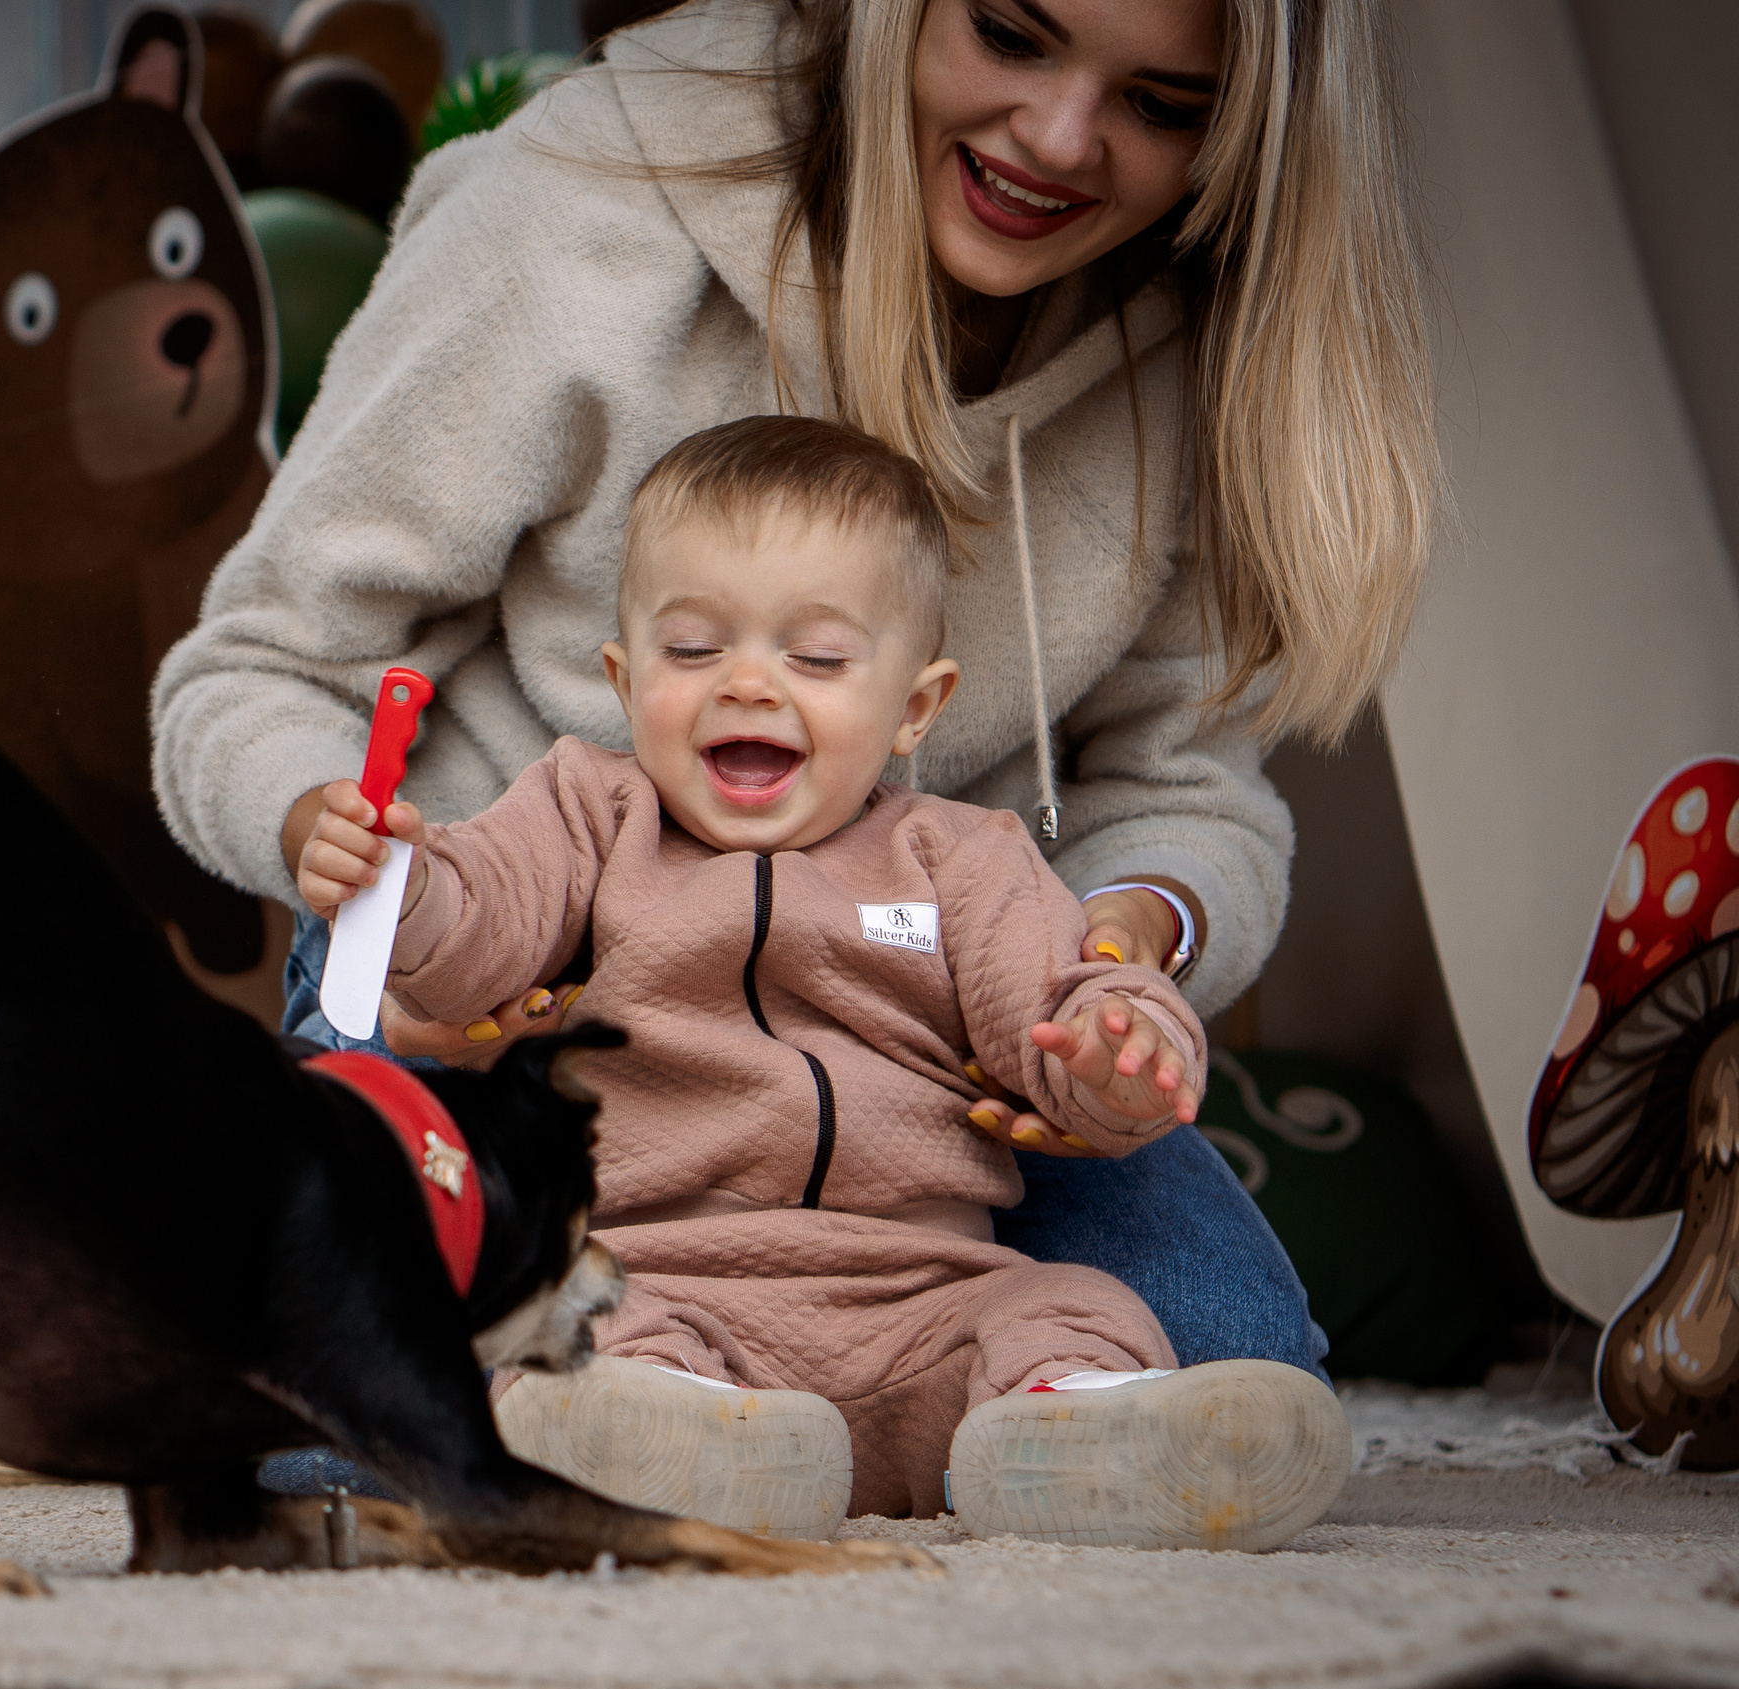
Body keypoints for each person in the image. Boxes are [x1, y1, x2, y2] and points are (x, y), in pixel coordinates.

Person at [153, 0, 1434, 1501]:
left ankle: (813, 1409)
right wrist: (376, 876)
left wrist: (1110, 974)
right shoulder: (573, 211)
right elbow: (259, 665)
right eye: (1011, 34)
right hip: (509, 975)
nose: (1060, 138)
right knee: (350, 1390)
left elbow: (1181, 790)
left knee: (1222, 1351)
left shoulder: (1200, 326)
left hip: (923, 1045)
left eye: (1163, 105)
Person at [293, 416, 1343, 1547]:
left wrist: (1119, 1051)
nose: (747, 685)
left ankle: (1070, 1429)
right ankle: (673, 1440)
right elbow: (482, 921)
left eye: (819, 660)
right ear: (623, 679)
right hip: (661, 1274)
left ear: (915, 707)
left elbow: (1056, 1003)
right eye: (692, 649)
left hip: (927, 1291)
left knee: (1074, 1305)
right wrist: (403, 886)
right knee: (575, 1333)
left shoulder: (962, 856)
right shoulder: (586, 814)